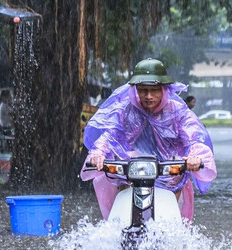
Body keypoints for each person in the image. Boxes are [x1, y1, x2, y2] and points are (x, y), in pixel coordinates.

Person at [80, 58, 217, 221]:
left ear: (164, 90)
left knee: (170, 225)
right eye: (143, 90)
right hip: (130, 175)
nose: (149, 96)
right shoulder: (124, 110)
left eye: (154, 90)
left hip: (168, 175)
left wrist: (195, 156)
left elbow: (193, 136)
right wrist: (98, 153)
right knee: (120, 220)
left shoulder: (178, 111)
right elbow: (109, 135)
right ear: (135, 90)